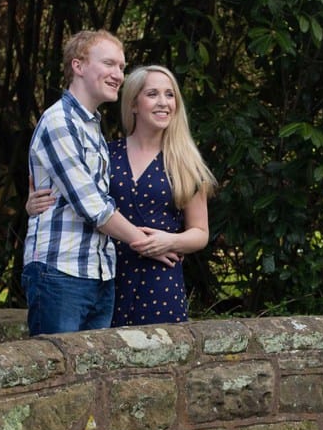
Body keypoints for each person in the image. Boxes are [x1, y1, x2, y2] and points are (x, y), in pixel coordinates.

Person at [28, 63, 215, 325]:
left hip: (161, 284)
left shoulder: (186, 164)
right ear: (134, 104)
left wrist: (170, 242)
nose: (163, 102)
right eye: (152, 94)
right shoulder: (106, 153)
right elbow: (79, 196)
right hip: (107, 279)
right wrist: (32, 204)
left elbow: (200, 233)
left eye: (170, 95)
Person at [21, 30, 153, 336]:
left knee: (92, 381)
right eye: (109, 63)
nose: (118, 74)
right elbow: (93, 206)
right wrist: (146, 244)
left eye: (121, 67)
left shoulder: (91, 127)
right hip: (60, 272)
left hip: (98, 273)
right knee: (59, 380)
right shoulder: (59, 122)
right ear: (78, 66)